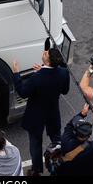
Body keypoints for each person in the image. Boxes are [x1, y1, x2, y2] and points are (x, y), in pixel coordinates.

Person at [12, 47, 70, 176]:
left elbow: (22, 92)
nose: (43, 53)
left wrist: (16, 73)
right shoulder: (63, 73)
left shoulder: (36, 77)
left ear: (48, 61)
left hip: (35, 115)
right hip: (53, 112)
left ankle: (36, 170)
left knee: (35, 143)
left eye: (45, 53)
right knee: (57, 139)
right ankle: (59, 164)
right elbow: (64, 90)